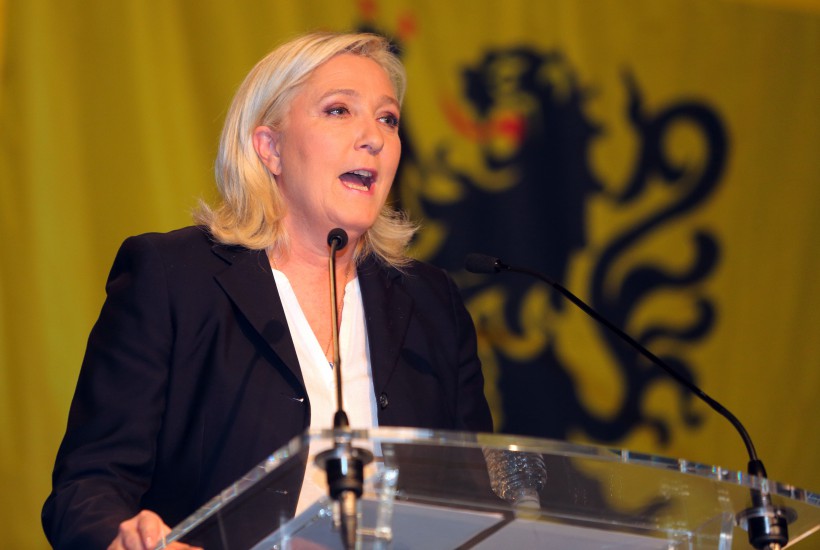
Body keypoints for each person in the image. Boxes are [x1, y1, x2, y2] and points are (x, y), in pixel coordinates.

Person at [42, 31, 493, 549]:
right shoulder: (173, 280)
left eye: (387, 118)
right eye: (339, 111)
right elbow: (85, 492)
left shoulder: (432, 303)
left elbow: (478, 508)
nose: (373, 136)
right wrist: (124, 538)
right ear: (270, 148)